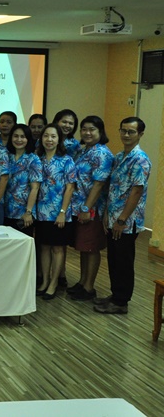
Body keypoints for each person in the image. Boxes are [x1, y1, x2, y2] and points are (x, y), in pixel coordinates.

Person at [94, 117, 150, 314]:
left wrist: (121, 219)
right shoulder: (119, 157)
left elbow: (136, 191)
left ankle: (121, 302)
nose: (126, 135)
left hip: (126, 221)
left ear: (140, 134)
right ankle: (115, 295)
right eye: (123, 130)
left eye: (131, 132)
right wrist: (107, 215)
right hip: (113, 217)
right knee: (114, 259)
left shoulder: (140, 159)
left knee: (124, 261)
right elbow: (113, 189)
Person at [67, 116, 113, 302]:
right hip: (79, 207)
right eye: (84, 129)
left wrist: (87, 208)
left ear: (100, 131)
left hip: (93, 209)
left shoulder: (102, 153)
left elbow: (99, 184)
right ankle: (82, 282)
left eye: (92, 129)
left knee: (92, 247)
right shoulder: (84, 150)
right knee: (83, 246)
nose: (87, 132)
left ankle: (89, 287)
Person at [35, 124, 76, 300]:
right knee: (44, 247)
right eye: (46, 136)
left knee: (58, 248)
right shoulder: (37, 159)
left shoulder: (67, 160)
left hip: (59, 212)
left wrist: (62, 211)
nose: (49, 140)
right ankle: (45, 281)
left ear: (59, 139)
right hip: (41, 212)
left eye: (53, 136)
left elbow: (70, 188)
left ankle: (53, 283)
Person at [3, 124, 42, 236]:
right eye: (16, 136)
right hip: (6, 210)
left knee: (21, 243)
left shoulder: (33, 159)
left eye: (23, 137)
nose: (19, 140)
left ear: (28, 139)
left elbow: (35, 188)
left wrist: (28, 212)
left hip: (23, 213)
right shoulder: (6, 156)